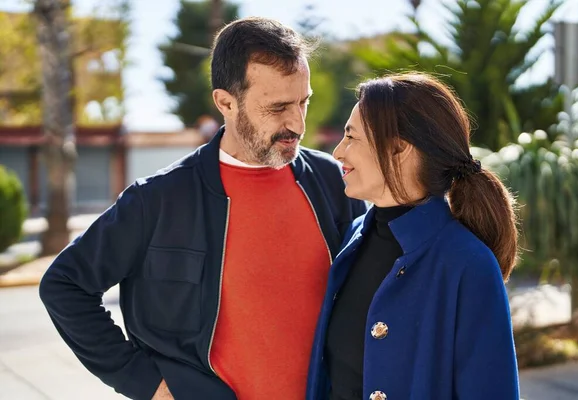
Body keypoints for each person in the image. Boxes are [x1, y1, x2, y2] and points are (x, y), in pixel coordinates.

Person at [39, 17, 366, 400]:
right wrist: (146, 384)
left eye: (303, 101)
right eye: (277, 107)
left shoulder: (333, 182)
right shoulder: (158, 199)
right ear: (226, 103)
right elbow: (64, 285)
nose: (296, 122)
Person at [306, 72, 520, 400]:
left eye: (351, 137)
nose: (338, 152)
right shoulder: (353, 236)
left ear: (398, 149)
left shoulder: (469, 264)